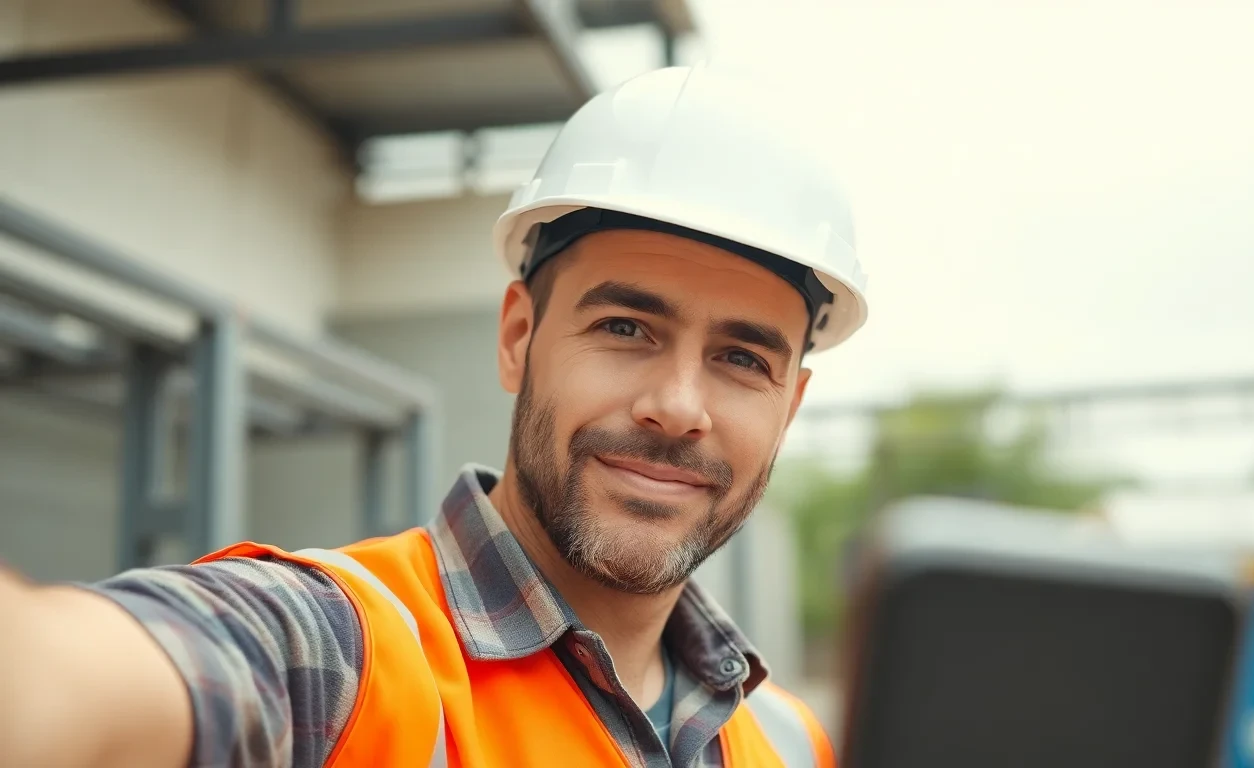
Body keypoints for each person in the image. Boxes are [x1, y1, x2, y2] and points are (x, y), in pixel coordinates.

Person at [0, 64, 868, 768]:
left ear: (789, 406)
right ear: (519, 337)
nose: (678, 407)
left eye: (742, 359)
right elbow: (55, 688)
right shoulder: (338, 654)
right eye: (626, 327)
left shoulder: (792, 743)